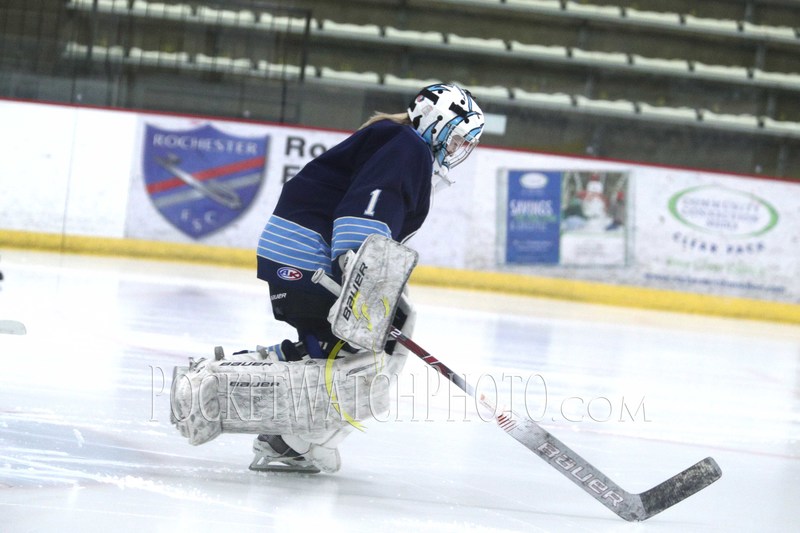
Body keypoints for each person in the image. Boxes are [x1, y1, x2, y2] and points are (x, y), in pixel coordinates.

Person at [171, 83, 485, 474]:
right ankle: (284, 436)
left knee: (335, 350)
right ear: (437, 122)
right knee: (363, 361)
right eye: (455, 137)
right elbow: (367, 208)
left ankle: (271, 421)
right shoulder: (408, 147)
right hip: (310, 257)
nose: (456, 149)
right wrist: (358, 278)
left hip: (300, 251)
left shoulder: (401, 142)